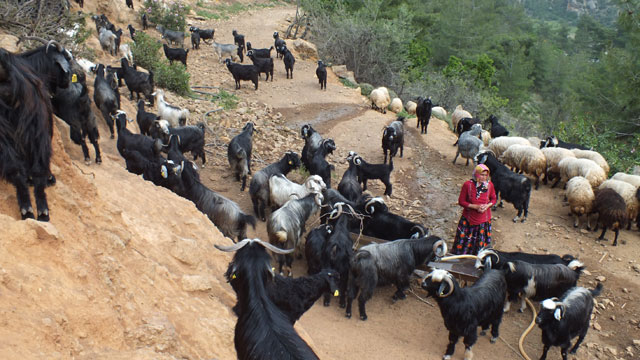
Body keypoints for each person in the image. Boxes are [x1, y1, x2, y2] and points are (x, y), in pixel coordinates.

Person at [452, 164, 497, 255]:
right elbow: (461, 201)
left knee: (480, 241)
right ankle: (461, 257)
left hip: (483, 221)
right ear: (476, 174)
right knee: (464, 241)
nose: (484, 177)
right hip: (468, 220)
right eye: (481, 174)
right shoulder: (467, 185)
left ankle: (476, 258)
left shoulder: (490, 185)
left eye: (485, 175)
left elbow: (494, 199)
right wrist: (475, 207)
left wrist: (487, 206)